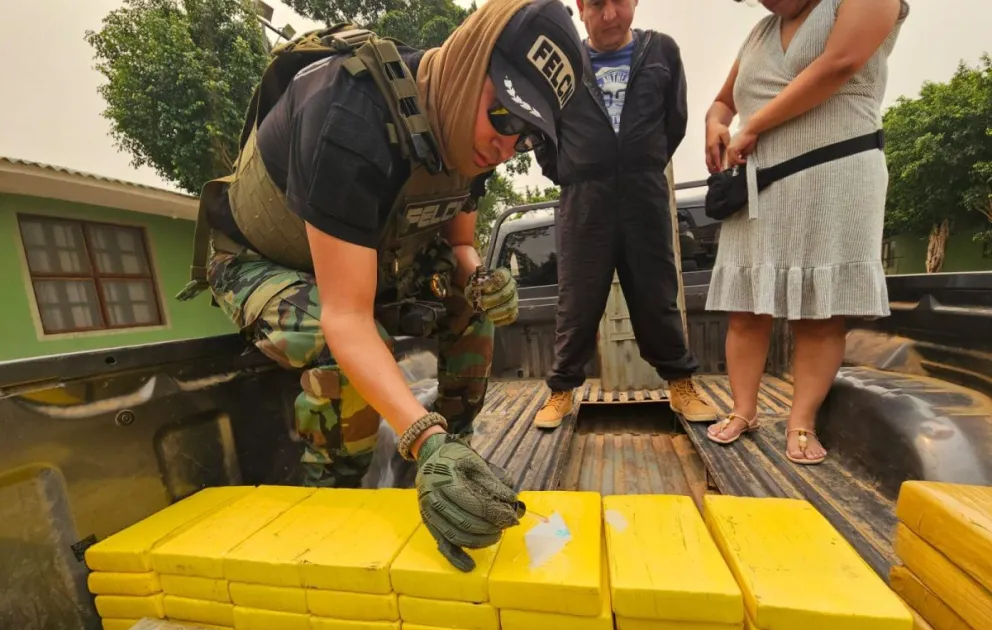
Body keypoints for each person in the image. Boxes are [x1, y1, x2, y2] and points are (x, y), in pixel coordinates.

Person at [175, 0, 585, 570]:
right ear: (469, 64)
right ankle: (337, 499)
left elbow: (462, 246)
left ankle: (452, 464)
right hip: (262, 266)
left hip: (365, 266)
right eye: (507, 117)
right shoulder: (350, 115)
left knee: (470, 303)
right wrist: (418, 430)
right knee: (330, 338)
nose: (507, 145)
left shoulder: (471, 132)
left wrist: (484, 281)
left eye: (529, 137)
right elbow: (345, 316)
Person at [703, 0, 909, 464]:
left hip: (834, 173)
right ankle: (743, 410)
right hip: (759, 186)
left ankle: (801, 422)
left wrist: (752, 124)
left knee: (819, 313)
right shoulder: (760, 32)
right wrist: (715, 123)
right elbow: (723, 100)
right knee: (746, 309)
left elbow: (840, 63)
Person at [531, 0, 719, 430]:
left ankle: (681, 384)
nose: (611, 15)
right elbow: (542, 131)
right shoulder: (562, 63)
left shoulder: (662, 52)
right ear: (581, 7)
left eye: (619, 1)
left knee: (658, 293)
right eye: (598, 4)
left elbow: (675, 122)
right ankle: (561, 392)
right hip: (584, 199)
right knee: (576, 300)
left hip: (644, 194)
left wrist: (641, 160)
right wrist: (571, 172)